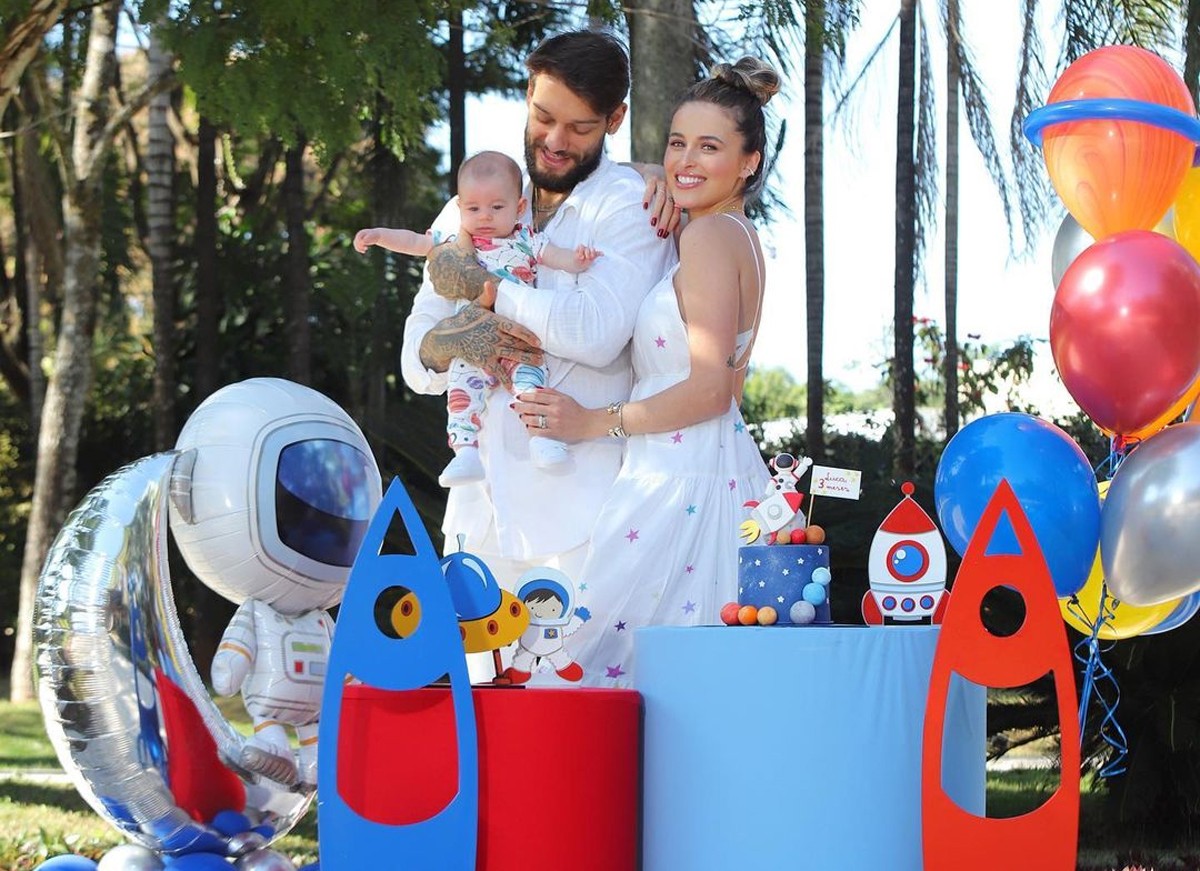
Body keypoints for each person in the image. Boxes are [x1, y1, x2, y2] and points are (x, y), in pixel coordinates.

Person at [399, 30, 676, 681]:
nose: (554, 140)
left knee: (569, 724)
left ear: (615, 121)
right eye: (543, 116)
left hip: (581, 519)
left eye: (578, 127)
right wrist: (450, 343)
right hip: (476, 512)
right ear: (525, 98)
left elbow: (597, 332)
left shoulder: (630, 206)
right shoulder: (471, 205)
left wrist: (490, 295)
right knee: (476, 726)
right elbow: (417, 358)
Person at [512, 57, 781, 687]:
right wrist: (653, 173)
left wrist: (594, 423)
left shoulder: (709, 240)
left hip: (675, 484)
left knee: (582, 668)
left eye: (709, 147)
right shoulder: (731, 234)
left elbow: (715, 388)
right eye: (677, 143)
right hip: (699, 470)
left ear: (750, 162)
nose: (686, 160)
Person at [357, 151, 599, 487]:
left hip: (517, 340)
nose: (484, 216)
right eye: (473, 209)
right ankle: (465, 453)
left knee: (531, 385)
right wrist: (380, 236)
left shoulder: (526, 240)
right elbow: (417, 242)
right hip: (469, 341)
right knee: (462, 390)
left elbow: (558, 257)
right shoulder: (456, 243)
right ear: (460, 209)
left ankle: (542, 441)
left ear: (518, 208)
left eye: (496, 208)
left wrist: (579, 259)